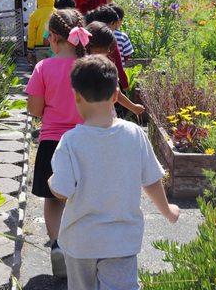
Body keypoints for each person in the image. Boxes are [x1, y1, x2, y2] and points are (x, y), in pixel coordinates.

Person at [48, 55, 180, 290]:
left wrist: (51, 181)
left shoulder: (70, 142)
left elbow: (62, 191)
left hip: (81, 241)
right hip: (121, 240)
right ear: (116, 95)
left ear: (76, 96)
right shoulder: (134, 134)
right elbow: (150, 180)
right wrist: (167, 211)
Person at [25, 9, 92, 278]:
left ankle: (58, 245)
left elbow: (35, 109)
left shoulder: (44, 68)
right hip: (87, 141)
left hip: (53, 141)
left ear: (53, 38)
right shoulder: (90, 67)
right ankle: (86, 248)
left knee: (53, 198)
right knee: (84, 195)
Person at [86, 21, 144, 116]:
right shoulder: (106, 66)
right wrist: (134, 108)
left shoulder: (79, 65)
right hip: (106, 117)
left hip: (83, 117)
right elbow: (117, 94)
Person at [85, 5, 129, 90]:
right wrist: (125, 85)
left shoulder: (86, 34)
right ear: (112, 23)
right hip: (107, 84)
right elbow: (118, 65)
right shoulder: (109, 39)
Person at [27, 0, 56, 66]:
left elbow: (31, 34)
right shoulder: (57, 12)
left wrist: (30, 49)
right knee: (53, 68)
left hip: (39, 47)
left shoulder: (34, 15)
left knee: (41, 69)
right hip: (54, 45)